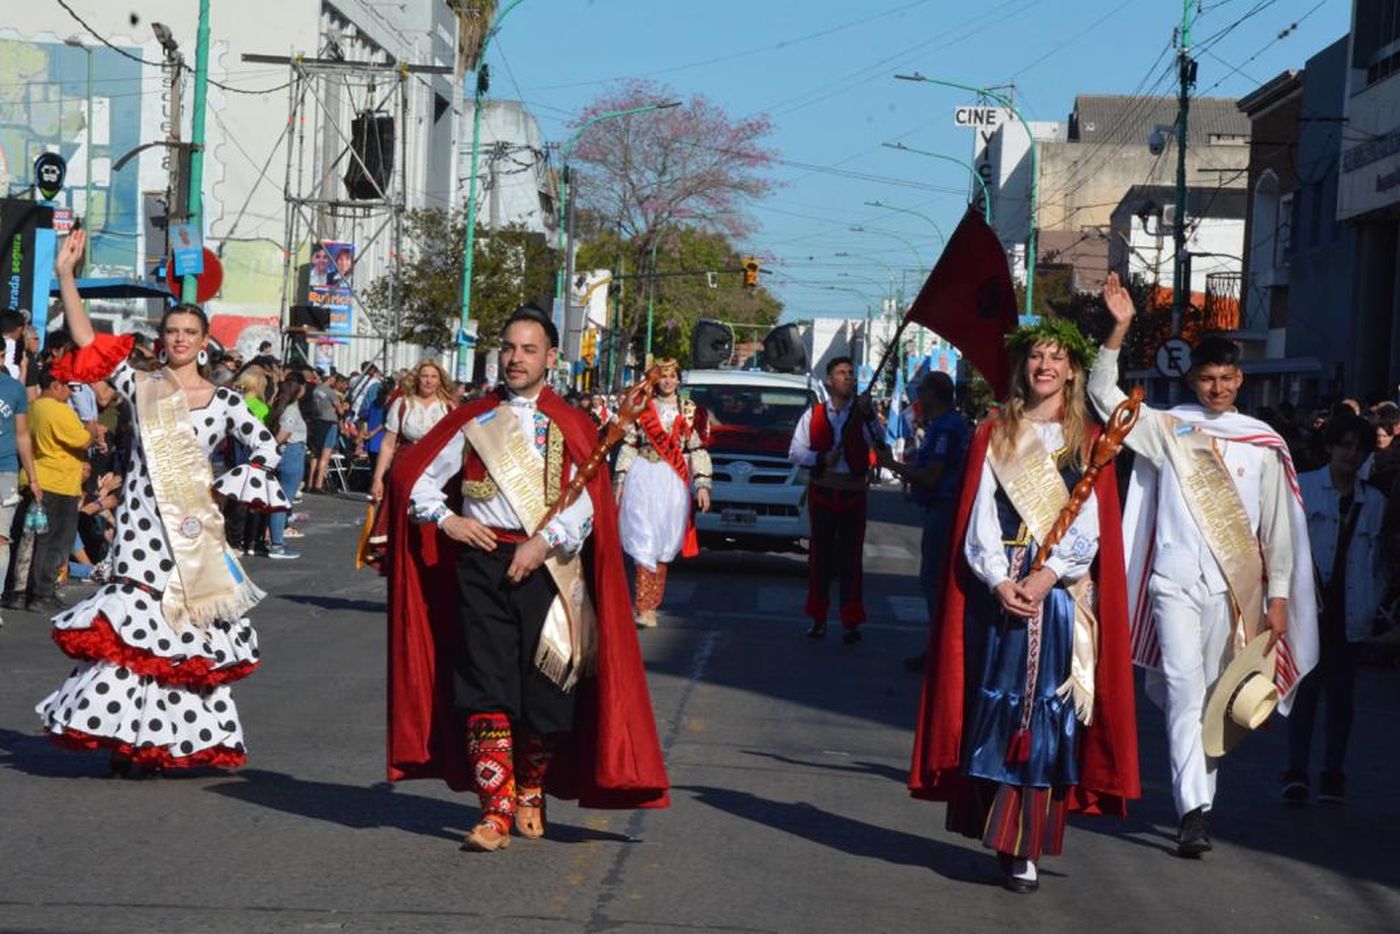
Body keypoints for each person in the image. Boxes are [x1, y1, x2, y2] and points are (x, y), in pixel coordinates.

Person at [385, 305, 668, 852]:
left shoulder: (573, 423)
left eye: (528, 350)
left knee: (546, 697)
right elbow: (414, 480)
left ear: (551, 358)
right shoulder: (472, 420)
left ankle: (531, 786)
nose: (515, 359)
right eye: (509, 349)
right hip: (483, 563)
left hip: (552, 569)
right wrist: (450, 520)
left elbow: (589, 505)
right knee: (485, 688)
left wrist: (544, 542)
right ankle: (494, 811)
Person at [35, 228, 290, 776]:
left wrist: (233, 484)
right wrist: (65, 276)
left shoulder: (225, 401)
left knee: (180, 638)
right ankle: (128, 740)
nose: (179, 339)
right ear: (162, 336)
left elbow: (265, 447)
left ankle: (166, 741)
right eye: (171, 330)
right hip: (137, 529)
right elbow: (88, 345)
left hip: (191, 533)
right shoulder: (139, 383)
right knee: (132, 633)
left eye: (189, 332)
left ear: (204, 341)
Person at [909, 318, 1139, 894]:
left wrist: (1048, 577)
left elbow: (1089, 525)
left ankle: (1026, 843)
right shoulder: (995, 434)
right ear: (1024, 366)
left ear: (1071, 369)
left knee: (1044, 713)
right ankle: (995, 822)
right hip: (1001, 588)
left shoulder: (1087, 437)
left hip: (1057, 594)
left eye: (1057, 358)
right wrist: (996, 580)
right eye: (1037, 355)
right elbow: (979, 516)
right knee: (998, 707)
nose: (1046, 366)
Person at [1092, 272, 1317, 857]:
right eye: (1206, 379)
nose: (1216, 388)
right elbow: (1104, 399)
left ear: (1238, 381)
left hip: (1232, 590)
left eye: (1225, 379)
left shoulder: (1261, 441)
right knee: (1187, 689)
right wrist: (1116, 331)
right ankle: (1192, 810)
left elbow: (1278, 530)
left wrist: (1280, 600)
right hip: (1172, 583)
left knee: (1215, 696)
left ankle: (1199, 803)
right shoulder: (1168, 428)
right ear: (1191, 380)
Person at [1284, 413, 1385, 805]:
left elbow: (1378, 560)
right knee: (1304, 693)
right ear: (1329, 447)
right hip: (1309, 607)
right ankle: (1295, 771)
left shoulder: (1374, 501)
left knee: (1342, 698)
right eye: (1344, 444)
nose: (1350, 453)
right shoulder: (1305, 488)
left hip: (1350, 610)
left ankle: (1333, 774)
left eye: (1358, 447)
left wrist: (1373, 600)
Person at [879, 371, 970, 671]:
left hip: (944, 509)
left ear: (933, 394)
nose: (918, 399)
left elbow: (933, 475)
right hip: (938, 505)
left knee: (934, 581)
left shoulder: (946, 428)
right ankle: (937, 647)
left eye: (922, 392)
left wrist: (894, 466)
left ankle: (941, 651)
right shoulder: (944, 425)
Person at [614, 359, 712, 628]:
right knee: (643, 540)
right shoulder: (643, 407)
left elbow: (697, 449)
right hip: (643, 475)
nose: (668, 381)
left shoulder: (689, 410)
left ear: (679, 380)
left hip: (673, 481)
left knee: (663, 543)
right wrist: (620, 481)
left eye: (672, 376)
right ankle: (643, 607)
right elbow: (630, 444)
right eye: (663, 376)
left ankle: (652, 603)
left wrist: (702, 484)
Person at [788, 356, 881, 643]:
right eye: (842, 373)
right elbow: (795, 452)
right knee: (820, 557)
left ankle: (851, 621)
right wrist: (820, 458)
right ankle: (818, 618)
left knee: (851, 559)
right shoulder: (813, 415)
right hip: (823, 490)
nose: (848, 378)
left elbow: (880, 444)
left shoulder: (864, 413)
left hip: (853, 492)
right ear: (829, 381)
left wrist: (869, 417)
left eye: (852, 373)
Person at [363, 361, 455, 566]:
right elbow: (388, 444)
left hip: (437, 469)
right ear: (417, 378)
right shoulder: (403, 404)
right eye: (424, 376)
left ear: (440, 380)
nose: (428, 380)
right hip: (405, 466)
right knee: (403, 525)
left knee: (432, 525)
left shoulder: (448, 406)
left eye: (433, 376)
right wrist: (378, 478)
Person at [21, 369, 97, 610]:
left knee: (37, 539)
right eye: (68, 388)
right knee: (56, 540)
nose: (70, 393)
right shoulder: (58, 410)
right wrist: (93, 431)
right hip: (58, 483)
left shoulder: (33, 407)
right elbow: (82, 439)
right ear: (55, 385)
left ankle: (31, 590)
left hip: (40, 477)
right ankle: (42, 592)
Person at [0, 361, 41, 625]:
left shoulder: (14, 389)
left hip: (5, 470)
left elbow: (22, 434)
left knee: (1, 539)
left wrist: (33, 478)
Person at [266, 375, 309, 560]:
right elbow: (284, 433)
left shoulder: (282, 406)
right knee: (283, 501)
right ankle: (277, 545)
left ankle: (273, 539)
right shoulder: (291, 410)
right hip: (291, 453)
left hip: (290, 452)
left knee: (279, 500)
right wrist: (270, 450)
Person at [306, 371, 343, 493]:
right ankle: (318, 484)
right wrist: (344, 407)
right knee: (325, 455)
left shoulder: (315, 390)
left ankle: (310, 482)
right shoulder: (330, 392)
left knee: (315, 453)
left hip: (317, 421)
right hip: (329, 423)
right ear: (331, 379)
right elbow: (340, 410)